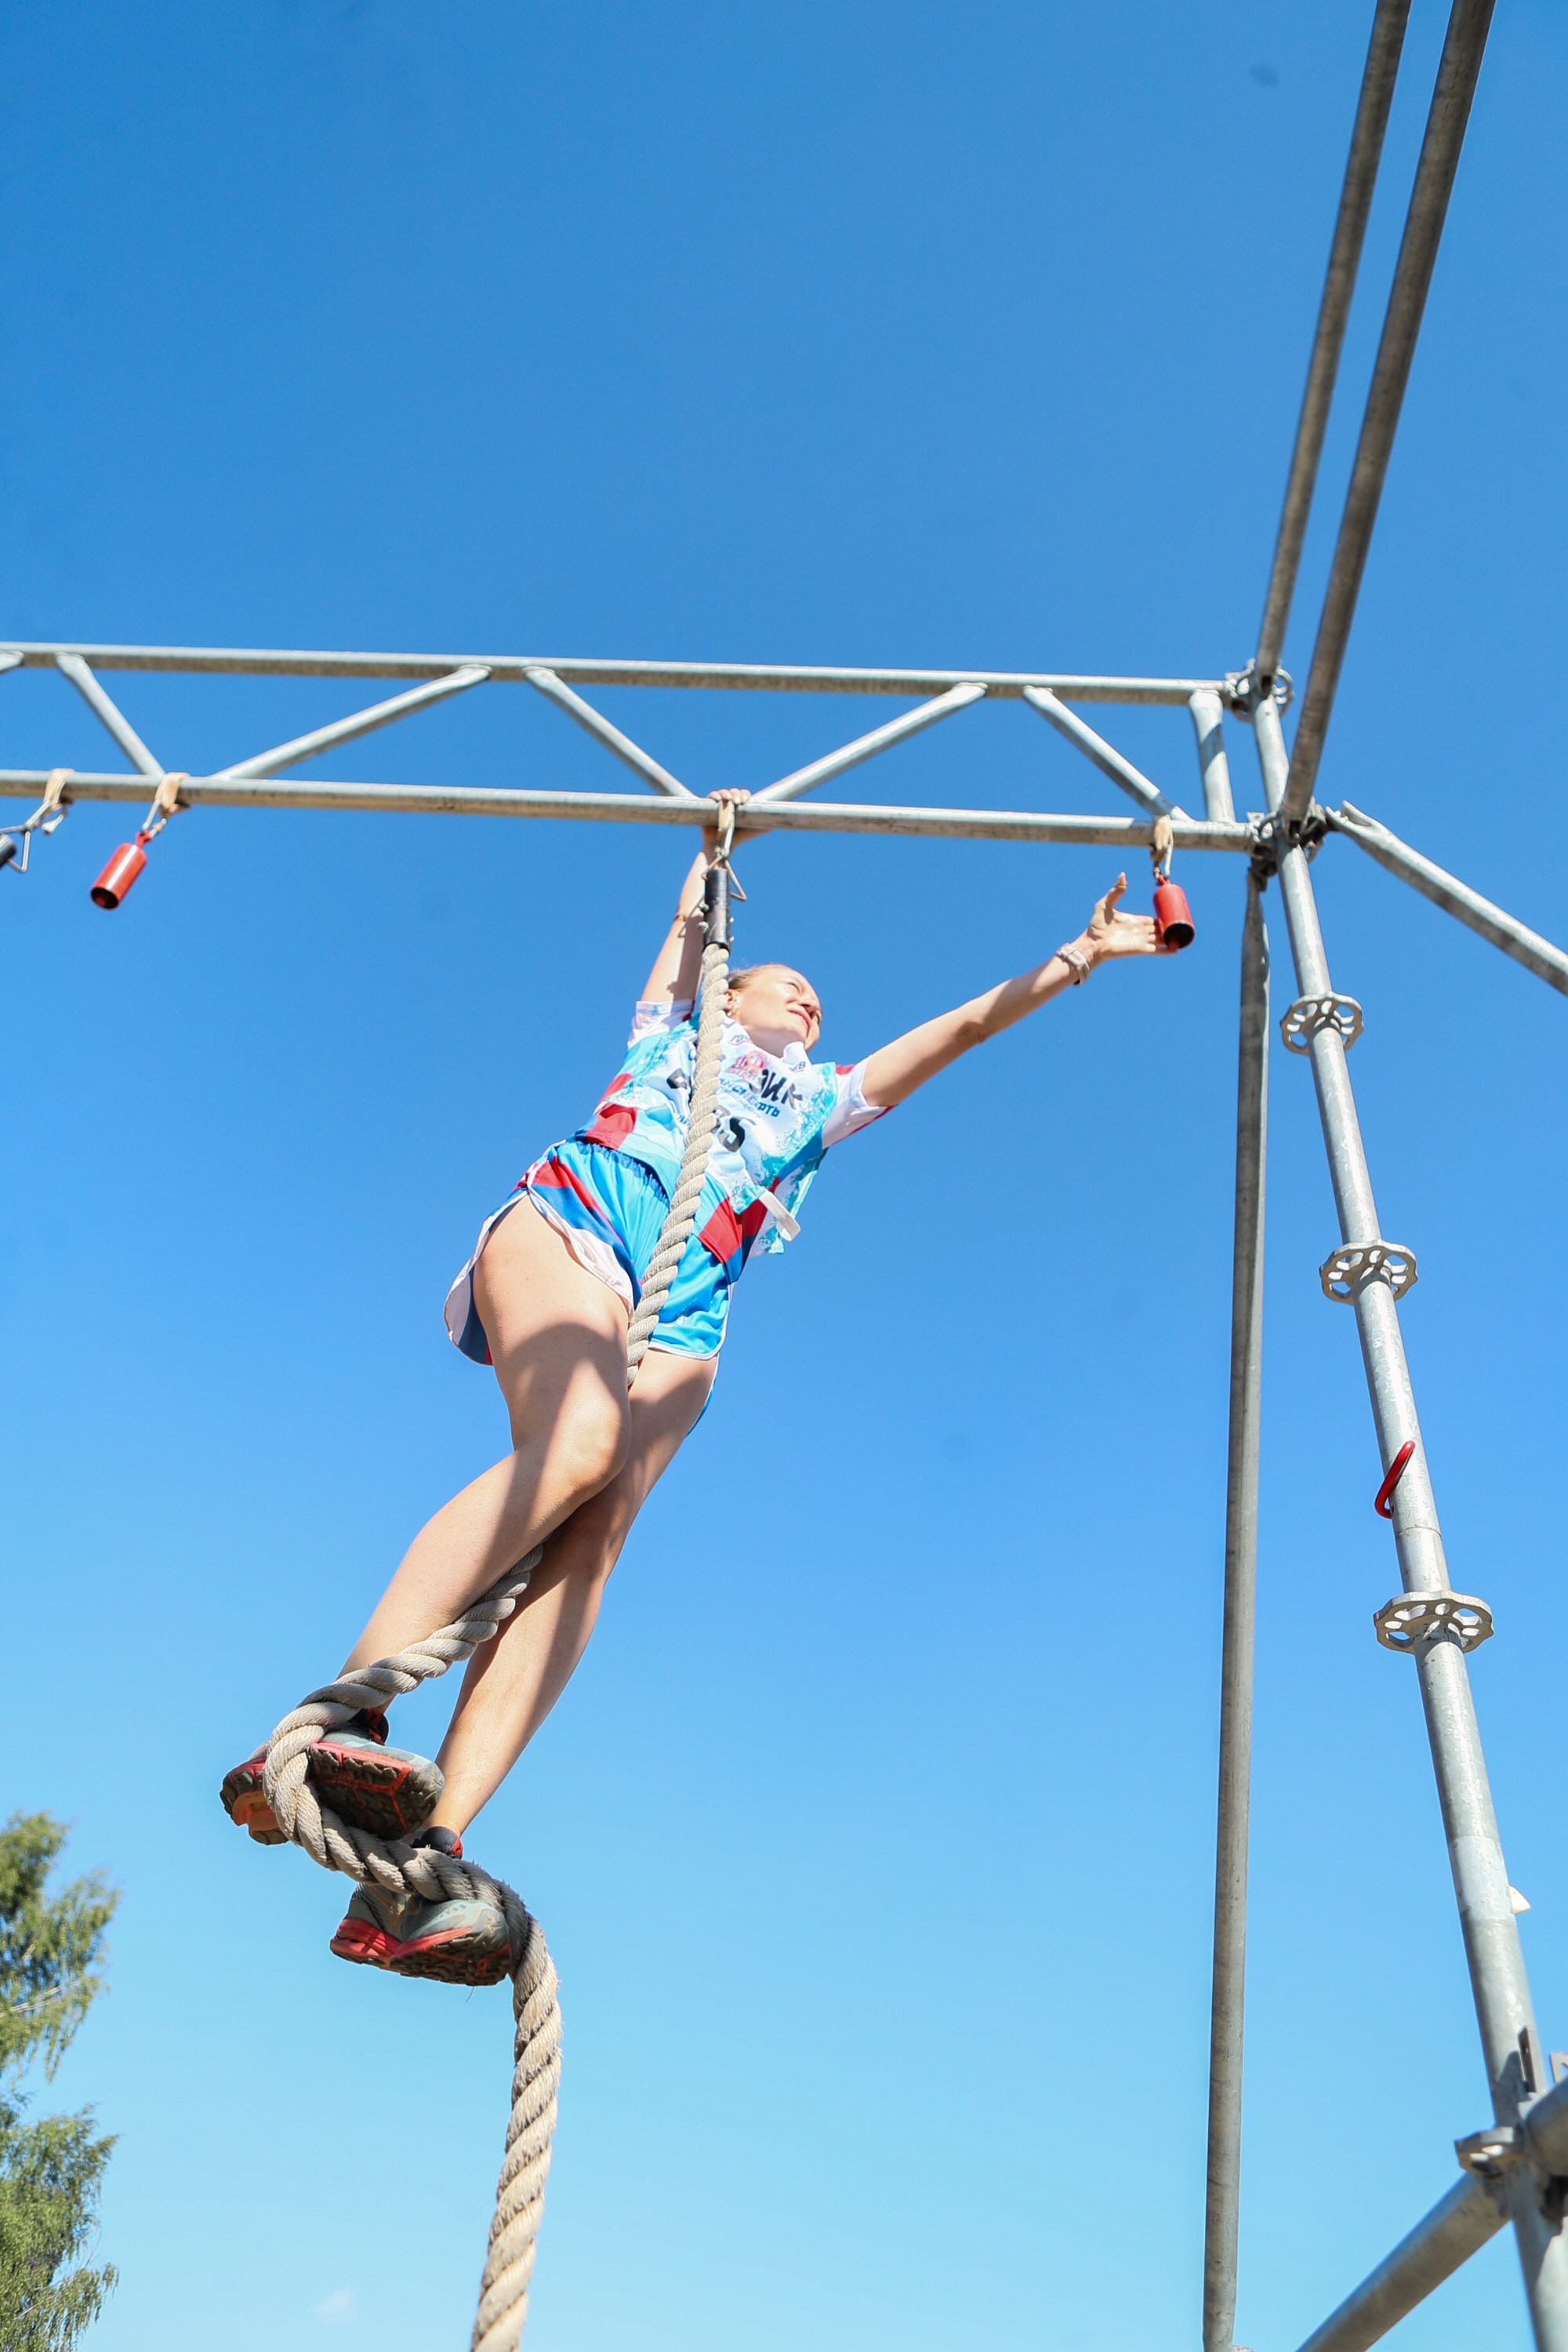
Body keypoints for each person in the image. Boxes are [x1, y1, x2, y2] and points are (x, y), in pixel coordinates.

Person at [222, 788, 1175, 1982]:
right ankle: (341, 1723)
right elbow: (687, 938)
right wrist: (715, 854)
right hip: (584, 1223)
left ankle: (428, 1856)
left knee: (594, 1538)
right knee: (570, 1450)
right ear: (729, 993)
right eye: (784, 983)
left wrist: (1078, 956)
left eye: (818, 997)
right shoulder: (675, 1031)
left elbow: (958, 1033)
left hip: (689, 1303)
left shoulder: (821, 1102)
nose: (809, 996)